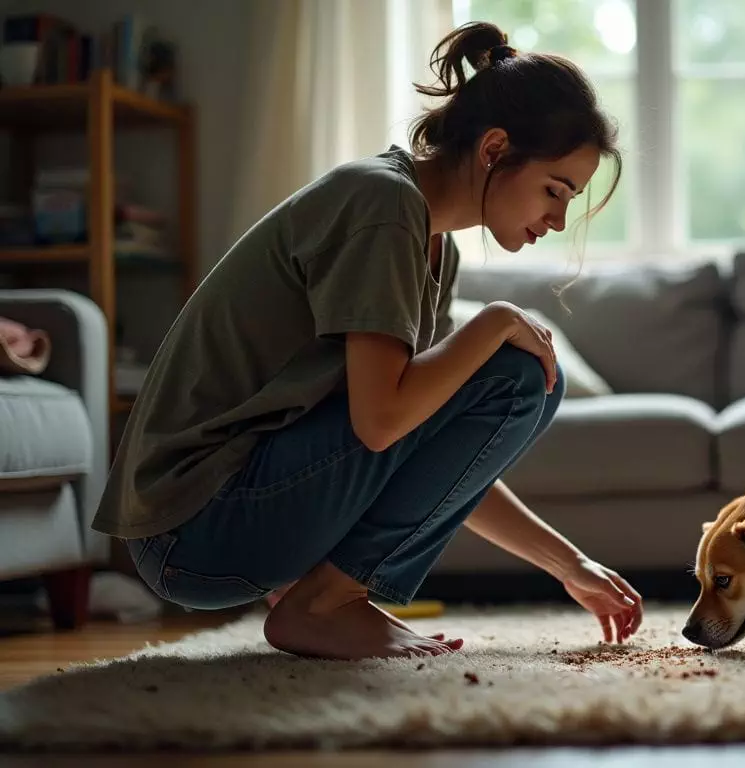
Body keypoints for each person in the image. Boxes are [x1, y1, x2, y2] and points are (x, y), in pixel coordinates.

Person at [91, 21, 643, 661]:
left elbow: (435, 451)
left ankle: (321, 596)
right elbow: (382, 424)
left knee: (516, 375)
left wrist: (569, 565)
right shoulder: (383, 204)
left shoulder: (433, 247)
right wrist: (494, 321)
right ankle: (322, 605)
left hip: (217, 526)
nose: (558, 219)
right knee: (521, 374)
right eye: (555, 190)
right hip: (193, 527)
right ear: (495, 149)